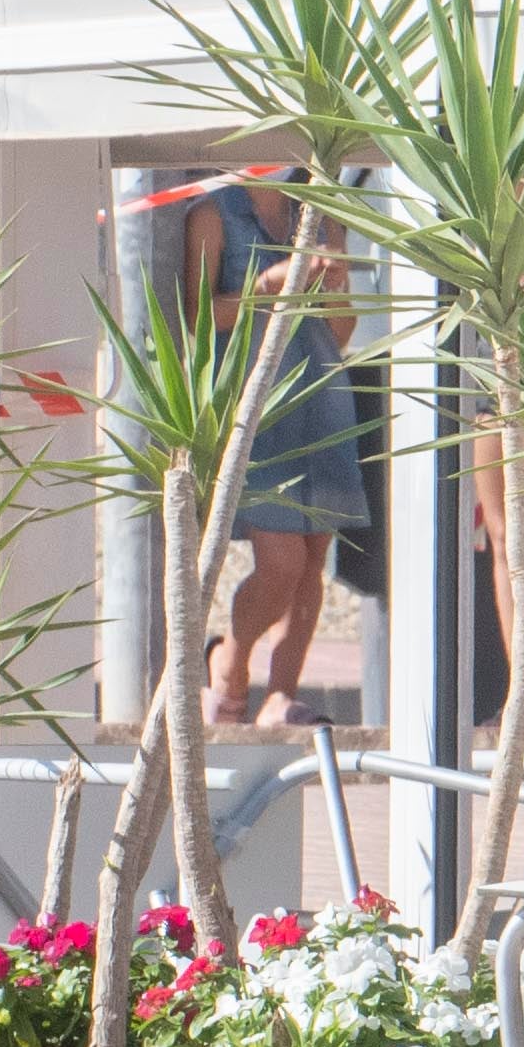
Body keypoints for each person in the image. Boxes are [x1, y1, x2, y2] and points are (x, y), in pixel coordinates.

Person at [161, 154, 370, 731]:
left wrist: (328, 287)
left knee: (311, 565)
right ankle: (230, 665)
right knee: (280, 562)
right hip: (254, 408)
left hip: (322, 398)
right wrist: (265, 288)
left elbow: (343, 330)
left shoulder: (322, 217)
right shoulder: (213, 215)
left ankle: (281, 693)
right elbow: (200, 316)